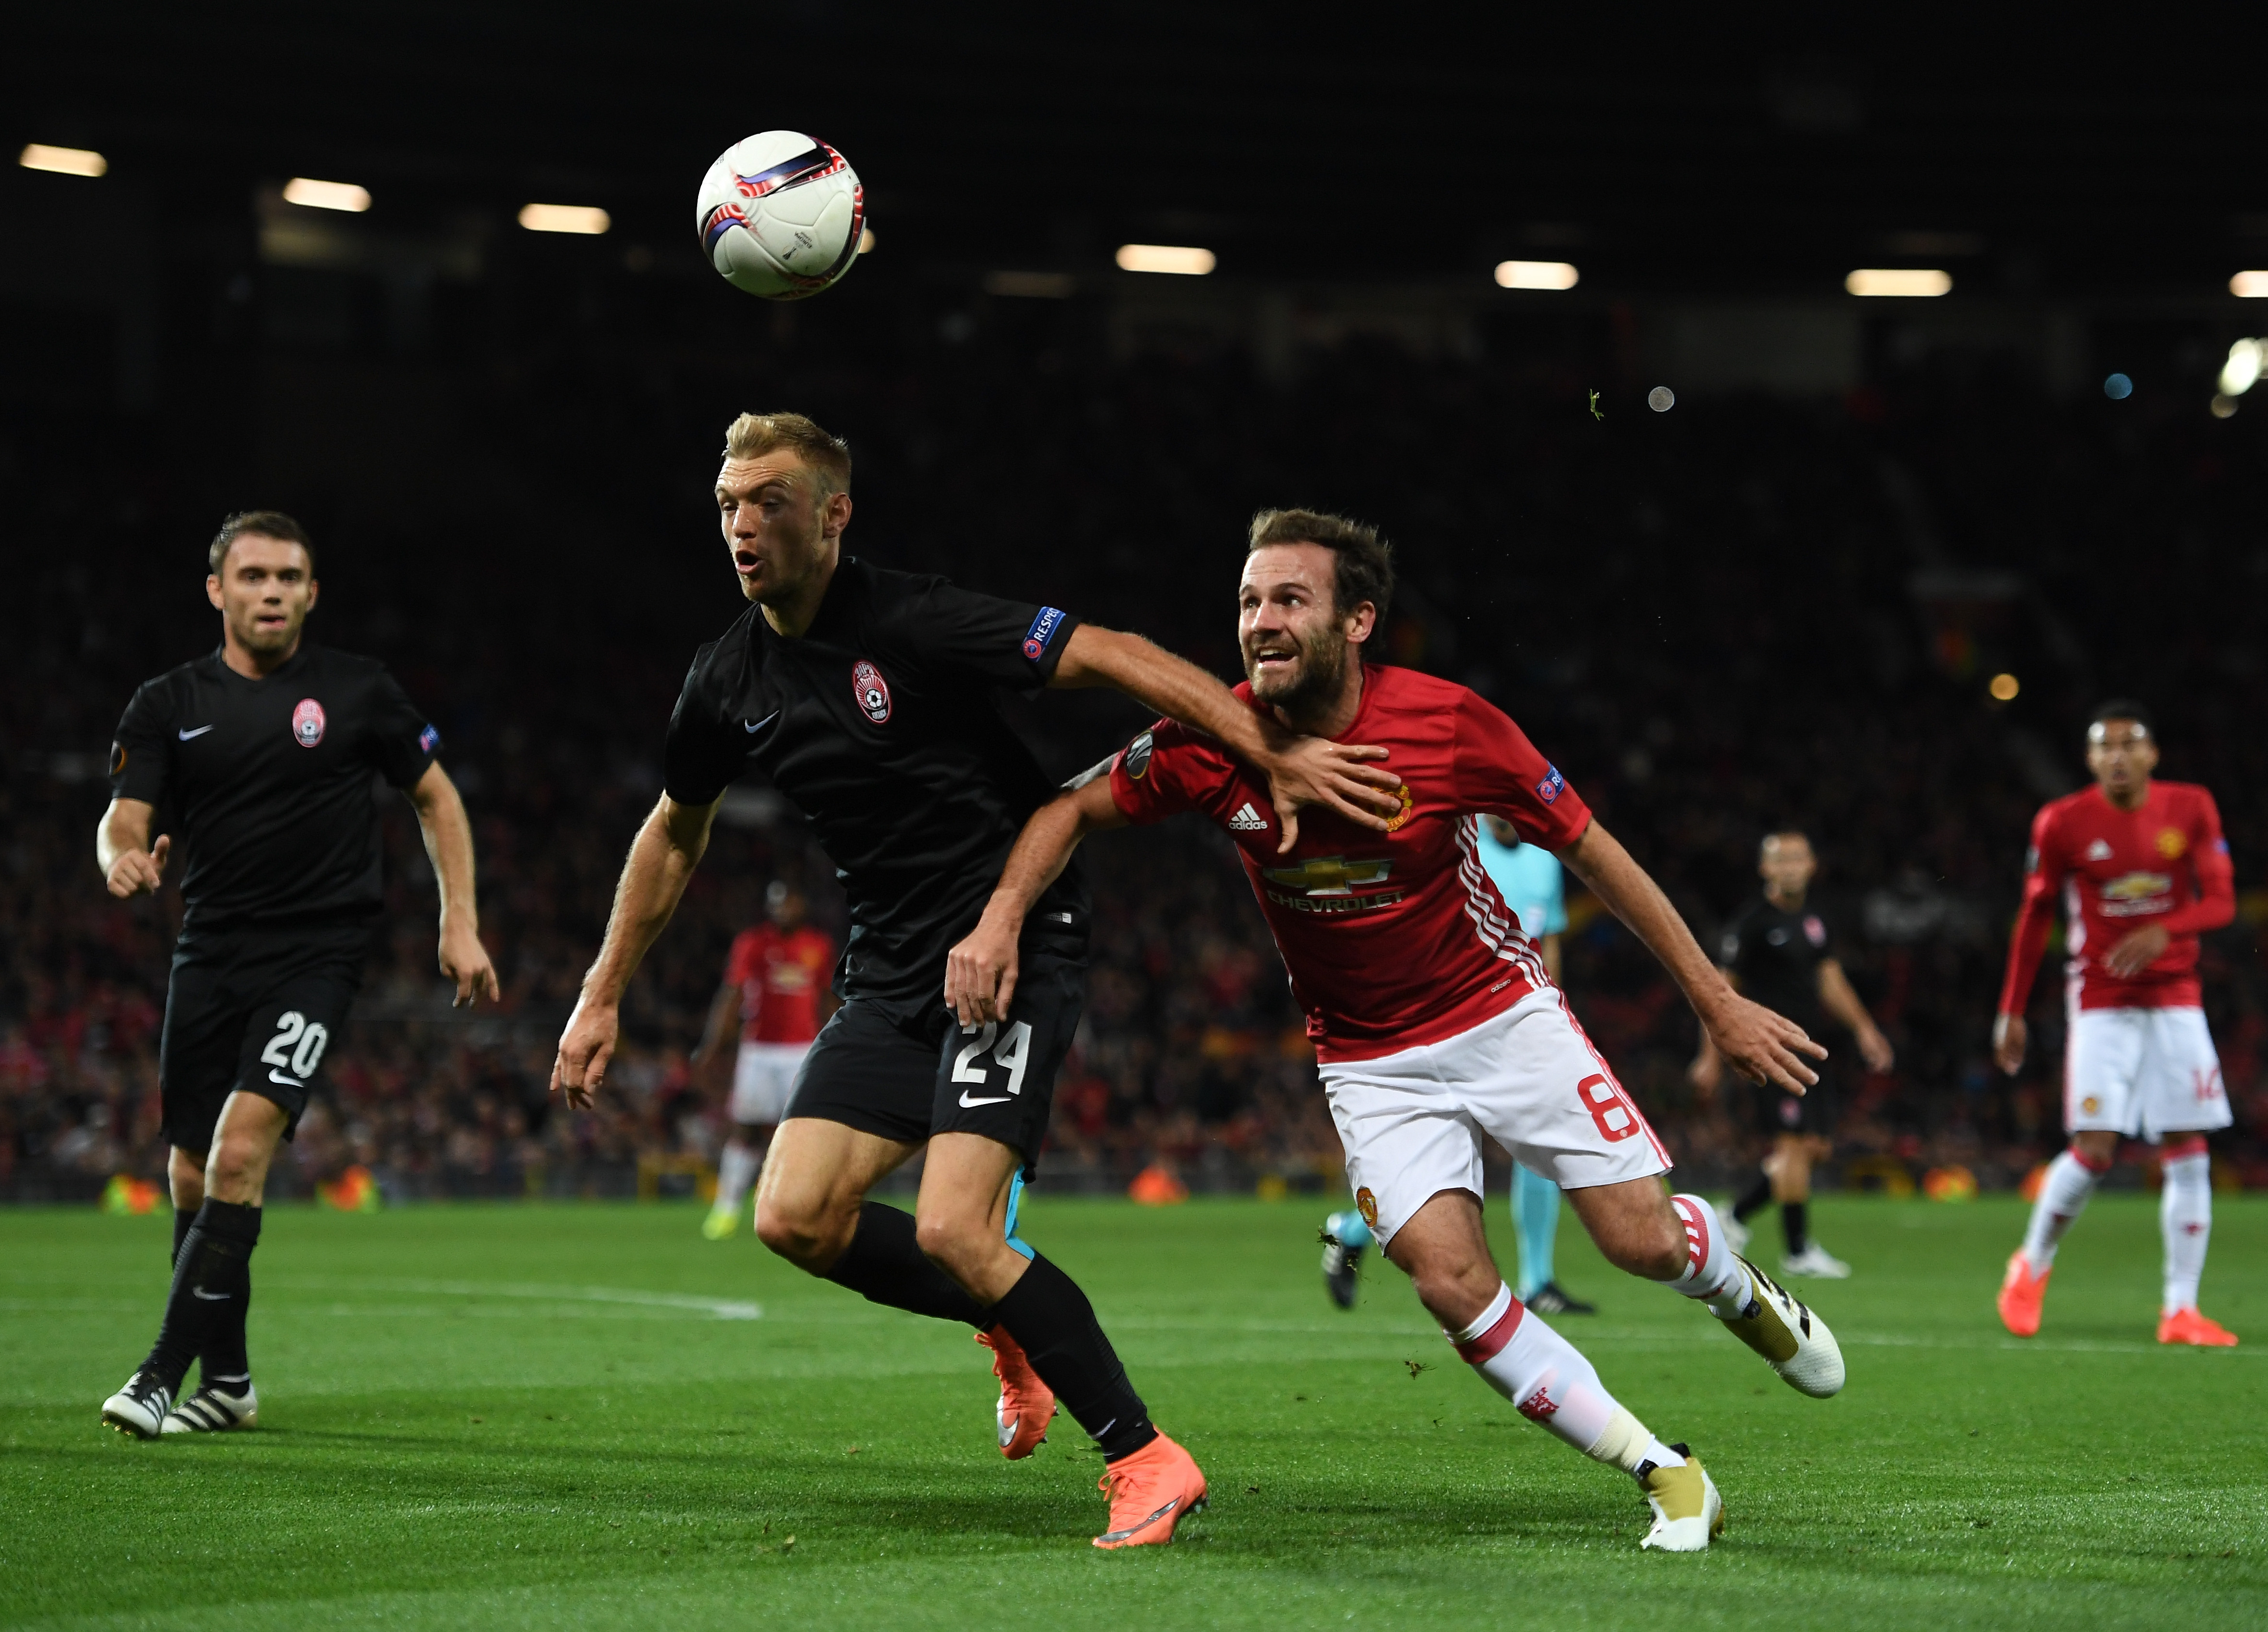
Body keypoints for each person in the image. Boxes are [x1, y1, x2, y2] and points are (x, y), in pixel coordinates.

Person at [550, 414, 1399, 1549]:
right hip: (893, 968)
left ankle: (1144, 1455)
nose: (742, 527)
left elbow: (1107, 651)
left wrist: (1266, 747)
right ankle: (1007, 1323)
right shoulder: (724, 678)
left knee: (954, 1225)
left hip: (1015, 939)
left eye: (769, 502)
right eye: (726, 505)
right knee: (792, 1216)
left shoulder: (911, 618)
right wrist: (602, 989)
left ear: (833, 514)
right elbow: (673, 830)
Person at [947, 508, 1845, 1553]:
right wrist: (1000, 914)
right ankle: (1666, 1469)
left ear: (1359, 619)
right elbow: (1067, 808)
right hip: (1369, 1057)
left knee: (1641, 1240)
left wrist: (1714, 999)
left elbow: (1594, 848)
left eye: (1290, 599)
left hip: (1501, 1014)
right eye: (1248, 601)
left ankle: (1738, 1284)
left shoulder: (1452, 722)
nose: (1261, 622)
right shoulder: (1213, 742)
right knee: (1451, 1283)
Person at [96, 511, 498, 1439]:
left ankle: (160, 1375)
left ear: (313, 592)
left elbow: (435, 797)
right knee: (193, 1168)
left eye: (288, 577)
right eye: (253, 577)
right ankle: (229, 1380)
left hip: (317, 956)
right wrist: (120, 857)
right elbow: (124, 814)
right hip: (210, 949)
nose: (271, 591)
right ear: (218, 591)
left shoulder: (360, 693)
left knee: (243, 1150)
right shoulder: (167, 702)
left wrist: (461, 919)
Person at [1992, 702, 2238, 1347]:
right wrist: (2010, 1009)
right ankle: (2031, 1264)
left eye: (2131, 744)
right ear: (2090, 759)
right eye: (2105, 746)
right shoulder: (2063, 822)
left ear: (2152, 754)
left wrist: (2165, 929)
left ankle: (2179, 1310)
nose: (2119, 755)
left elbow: (2220, 900)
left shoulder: (2190, 808)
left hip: (2175, 997)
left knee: (2188, 1149)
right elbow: (2034, 915)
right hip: (2101, 999)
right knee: (2095, 1148)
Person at [1322, 818, 1595, 1316]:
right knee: (1424, 1166)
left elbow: (1548, 938)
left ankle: (1538, 1281)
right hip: (1450, 1018)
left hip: (1517, 1019)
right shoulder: (1458, 843)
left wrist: (1552, 1007)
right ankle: (1351, 1229)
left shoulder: (1543, 863)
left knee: (1541, 1144)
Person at [1690, 831, 1895, 1278]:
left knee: (1815, 1148)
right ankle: (1798, 1250)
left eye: (1798, 859)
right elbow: (1721, 994)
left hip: (1809, 1047)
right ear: (1765, 869)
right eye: (1780, 860)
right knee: (1793, 1147)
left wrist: (1864, 1029)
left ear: (1812, 865)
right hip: (1770, 1051)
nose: (1790, 867)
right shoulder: (1751, 925)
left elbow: (1830, 980)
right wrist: (1709, 1058)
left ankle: (1736, 1216)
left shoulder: (1815, 919)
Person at [694, 881, 836, 1239]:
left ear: (802, 905)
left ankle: (804, 1207)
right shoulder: (753, 944)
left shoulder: (818, 945)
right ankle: (726, 1209)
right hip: (759, 1049)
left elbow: (826, 997)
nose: (782, 910)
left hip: (803, 1050)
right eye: (775, 904)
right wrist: (713, 1045)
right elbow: (732, 994)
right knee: (747, 1127)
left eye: (788, 903)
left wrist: (837, 1041)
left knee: (806, 1130)